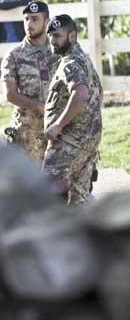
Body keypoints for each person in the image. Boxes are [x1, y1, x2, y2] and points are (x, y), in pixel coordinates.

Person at [43, 14, 103, 206]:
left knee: (47, 194)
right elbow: (97, 93)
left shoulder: (71, 62)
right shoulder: (82, 58)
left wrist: (58, 125)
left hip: (68, 142)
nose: (52, 40)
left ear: (72, 36)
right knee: (78, 198)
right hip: (86, 140)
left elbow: (81, 94)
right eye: (50, 35)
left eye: (58, 36)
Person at [1, 1, 60, 163]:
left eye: (35, 19)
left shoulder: (60, 52)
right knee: (30, 185)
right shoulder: (14, 55)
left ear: (47, 21)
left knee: (59, 184)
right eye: (26, 19)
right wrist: (38, 106)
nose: (29, 24)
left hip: (58, 130)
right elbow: (10, 95)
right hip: (28, 135)